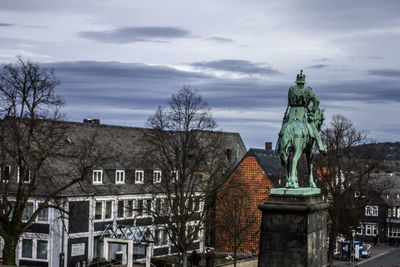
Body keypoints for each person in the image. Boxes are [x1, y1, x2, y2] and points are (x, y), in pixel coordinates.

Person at [281, 70, 327, 154]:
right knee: (313, 128)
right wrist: (312, 112)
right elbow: (316, 101)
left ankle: (279, 147)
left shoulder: (291, 89)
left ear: (297, 81)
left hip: (291, 113)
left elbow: (289, 101)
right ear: (303, 82)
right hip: (303, 114)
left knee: (283, 129)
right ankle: (320, 146)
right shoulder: (308, 90)